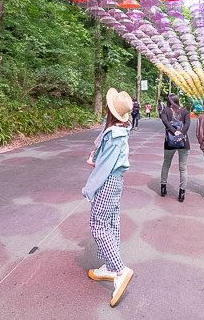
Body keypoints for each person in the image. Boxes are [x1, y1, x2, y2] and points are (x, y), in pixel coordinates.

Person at [83, 88, 135, 307]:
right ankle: (108, 265)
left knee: (98, 224)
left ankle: (119, 270)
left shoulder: (115, 135)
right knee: (111, 221)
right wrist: (96, 153)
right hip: (116, 180)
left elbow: (105, 167)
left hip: (108, 181)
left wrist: (89, 188)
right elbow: (103, 139)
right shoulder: (118, 127)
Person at [159, 93, 191, 202]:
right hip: (184, 142)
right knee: (183, 168)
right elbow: (187, 124)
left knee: (166, 164)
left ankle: (163, 188)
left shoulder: (165, 111)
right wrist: (181, 134)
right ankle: (182, 192)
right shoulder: (185, 111)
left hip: (170, 142)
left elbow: (165, 121)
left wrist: (173, 132)